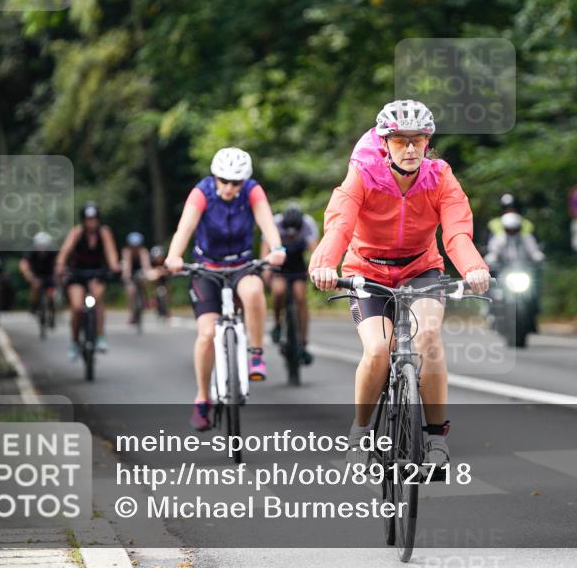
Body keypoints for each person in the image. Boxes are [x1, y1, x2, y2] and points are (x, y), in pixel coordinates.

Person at [309, 99, 491, 470]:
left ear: (427, 142)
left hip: (420, 269)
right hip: (368, 271)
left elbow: (456, 232)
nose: (410, 149)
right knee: (378, 350)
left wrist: (473, 268)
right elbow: (340, 223)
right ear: (384, 142)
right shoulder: (363, 174)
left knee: (428, 341)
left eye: (418, 140)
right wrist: (325, 263)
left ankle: (436, 439)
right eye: (399, 141)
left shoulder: (440, 177)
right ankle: (361, 431)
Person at [164, 147, 287, 431]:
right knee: (207, 334)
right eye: (224, 181)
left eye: (236, 182)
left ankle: (256, 354)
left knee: (254, 290)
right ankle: (203, 398)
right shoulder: (201, 192)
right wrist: (174, 256)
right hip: (206, 268)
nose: (230, 187)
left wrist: (277, 247)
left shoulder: (252, 191)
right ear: (215, 177)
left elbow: (266, 221)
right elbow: (184, 228)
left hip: (241, 264)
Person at [54, 203, 121, 359]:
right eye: (88, 219)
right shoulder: (77, 232)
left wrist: (114, 266)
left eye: (94, 219)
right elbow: (65, 251)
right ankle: (74, 341)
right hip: (77, 274)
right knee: (77, 307)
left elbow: (111, 252)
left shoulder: (104, 232)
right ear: (83, 220)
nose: (92, 222)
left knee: (97, 300)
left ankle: (100, 336)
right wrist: (60, 265)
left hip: (97, 273)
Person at [261, 202, 319, 364]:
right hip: (280, 264)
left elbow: (315, 252)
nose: (292, 236)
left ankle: (303, 342)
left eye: (295, 233)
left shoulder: (308, 225)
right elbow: (265, 251)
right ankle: (278, 323)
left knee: (300, 297)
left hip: (297, 263)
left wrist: (315, 270)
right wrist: (266, 272)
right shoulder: (275, 223)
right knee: (279, 291)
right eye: (289, 233)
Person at [20, 232, 58, 317]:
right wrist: (27, 274)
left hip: (49, 276)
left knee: (50, 295)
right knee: (35, 287)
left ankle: (52, 313)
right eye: (40, 245)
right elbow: (24, 263)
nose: (42, 248)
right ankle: (33, 306)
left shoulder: (53, 252)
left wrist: (58, 273)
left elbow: (59, 263)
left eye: (44, 245)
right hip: (36, 276)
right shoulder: (31, 252)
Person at [121, 231, 153, 322]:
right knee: (130, 291)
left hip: (140, 272)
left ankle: (148, 300)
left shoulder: (143, 252)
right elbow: (126, 268)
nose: (135, 248)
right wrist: (126, 278)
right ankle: (131, 313)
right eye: (133, 246)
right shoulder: (126, 252)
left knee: (145, 283)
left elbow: (146, 265)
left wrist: (147, 274)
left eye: (137, 246)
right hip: (130, 272)